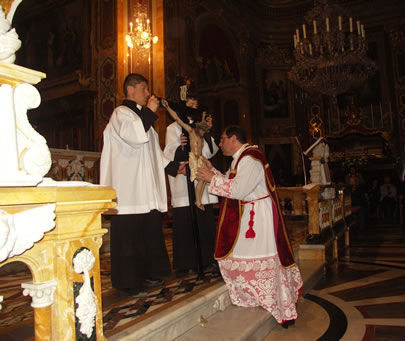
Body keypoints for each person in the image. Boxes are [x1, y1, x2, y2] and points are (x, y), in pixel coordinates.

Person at [197, 126, 303, 328]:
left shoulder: (250, 159)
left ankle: (276, 305)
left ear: (233, 138)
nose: (220, 144)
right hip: (251, 214)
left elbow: (239, 189)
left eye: (222, 139)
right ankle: (256, 297)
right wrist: (212, 171)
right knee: (241, 257)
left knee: (253, 257)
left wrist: (211, 179)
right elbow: (231, 180)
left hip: (257, 218)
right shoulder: (242, 158)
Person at [100, 73, 187, 296]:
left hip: (145, 190)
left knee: (147, 234)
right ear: (130, 90)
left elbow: (155, 153)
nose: (148, 93)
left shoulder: (143, 120)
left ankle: (147, 274)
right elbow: (134, 137)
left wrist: (173, 167)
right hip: (129, 190)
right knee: (129, 238)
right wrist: (149, 111)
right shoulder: (121, 114)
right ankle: (129, 282)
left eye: (147, 90)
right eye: (143, 88)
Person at [163, 94, 219, 274]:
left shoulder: (200, 127)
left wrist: (207, 132)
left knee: (204, 221)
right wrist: (181, 147)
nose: (193, 107)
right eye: (189, 104)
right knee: (186, 222)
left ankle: (207, 258)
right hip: (184, 177)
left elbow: (210, 152)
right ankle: (186, 262)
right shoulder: (173, 128)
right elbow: (169, 153)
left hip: (202, 175)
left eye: (195, 104)